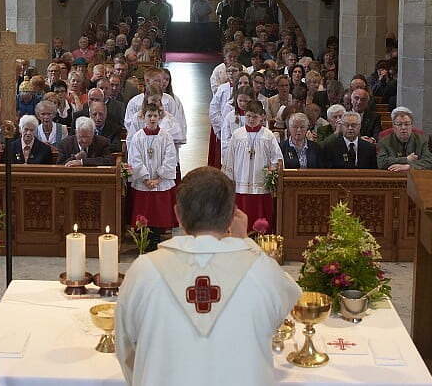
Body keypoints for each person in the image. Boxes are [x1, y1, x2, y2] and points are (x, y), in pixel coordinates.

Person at [115, 166, 300, 386]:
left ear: (177, 215)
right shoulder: (261, 270)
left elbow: (125, 348)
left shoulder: (143, 271)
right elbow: (291, 296)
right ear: (233, 215)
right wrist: (245, 243)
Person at [223, 101, 282, 232]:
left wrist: (272, 172)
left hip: (260, 183)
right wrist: (229, 179)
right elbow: (230, 157)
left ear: (262, 117)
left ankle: (261, 236)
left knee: (260, 214)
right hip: (241, 182)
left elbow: (277, 158)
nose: (251, 120)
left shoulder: (268, 136)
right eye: (248, 116)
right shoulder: (237, 135)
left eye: (255, 117)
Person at [126, 104, 179, 238]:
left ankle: (157, 236)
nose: (152, 119)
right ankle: (145, 239)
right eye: (149, 115)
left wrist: (159, 179)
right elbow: (134, 159)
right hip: (144, 183)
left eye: (155, 116)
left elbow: (170, 157)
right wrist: (146, 179)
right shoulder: (138, 137)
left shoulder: (166, 136)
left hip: (160, 182)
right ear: (144, 117)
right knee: (145, 215)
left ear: (159, 117)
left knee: (159, 215)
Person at [377, 107, 432, 172]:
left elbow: (429, 162)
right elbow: (381, 163)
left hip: (415, 177)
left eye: (407, 124)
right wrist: (406, 159)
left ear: (412, 125)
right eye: (399, 124)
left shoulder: (422, 140)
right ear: (393, 126)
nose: (403, 127)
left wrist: (408, 166)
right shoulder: (384, 141)